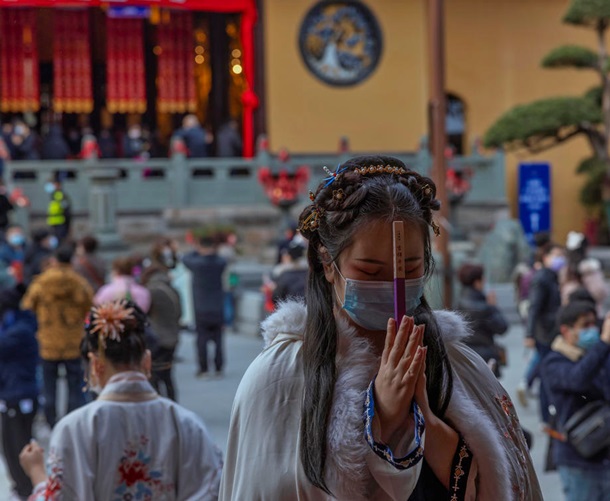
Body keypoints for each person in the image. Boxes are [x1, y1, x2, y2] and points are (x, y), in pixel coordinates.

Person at [219, 156, 541, 500]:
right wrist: (381, 417)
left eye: (411, 268)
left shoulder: (461, 367)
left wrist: (427, 423)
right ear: (328, 263)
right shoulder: (278, 379)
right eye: (370, 272)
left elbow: (493, 486)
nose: (393, 286)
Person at [19, 299, 223, 500]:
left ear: (95, 365)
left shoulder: (74, 428)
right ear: (147, 360)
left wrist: (37, 472)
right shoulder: (188, 424)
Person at [541, 301, 610, 501]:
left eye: (593, 324)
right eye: (584, 325)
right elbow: (577, 379)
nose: (592, 330)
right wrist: (603, 344)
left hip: (604, 452)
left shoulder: (597, 355)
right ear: (566, 330)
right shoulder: (554, 361)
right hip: (577, 458)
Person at [21, 245, 93, 428]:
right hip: (73, 341)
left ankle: (51, 420)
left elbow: (27, 305)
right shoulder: (78, 282)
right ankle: (73, 419)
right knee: (75, 384)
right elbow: (89, 305)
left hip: (48, 341)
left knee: (49, 384)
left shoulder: (42, 282)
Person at [0, 284, 38, 500]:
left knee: (19, 449)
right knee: (9, 447)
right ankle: (22, 488)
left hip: (20, 395)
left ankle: (27, 490)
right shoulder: (14, 327)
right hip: (11, 394)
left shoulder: (19, 331)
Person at [524, 241, 565, 422]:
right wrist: (529, 334)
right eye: (556, 255)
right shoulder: (542, 278)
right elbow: (534, 307)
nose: (560, 259)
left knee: (545, 371)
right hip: (545, 333)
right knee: (546, 374)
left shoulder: (551, 275)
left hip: (551, 331)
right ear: (546, 257)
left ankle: (548, 413)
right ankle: (547, 415)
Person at [141, 239, 183, 401]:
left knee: (155, 376)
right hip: (172, 336)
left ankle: (159, 406)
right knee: (167, 376)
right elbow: (180, 313)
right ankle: (173, 405)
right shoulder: (171, 288)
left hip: (158, 338)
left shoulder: (151, 290)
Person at [183, 235, 227, 378]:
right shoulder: (220, 262)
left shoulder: (196, 263)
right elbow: (221, 258)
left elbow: (184, 258)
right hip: (217, 306)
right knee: (219, 339)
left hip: (200, 307)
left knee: (201, 339)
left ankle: (204, 368)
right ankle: (219, 367)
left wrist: (196, 250)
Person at [456, 263, 509, 377]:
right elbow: (502, 327)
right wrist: (494, 306)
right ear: (477, 282)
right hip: (485, 357)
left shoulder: (459, 303)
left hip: (464, 355)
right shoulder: (484, 307)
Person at [271, 239, 308, 306]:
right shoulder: (309, 272)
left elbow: (276, 298)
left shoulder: (284, 274)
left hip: (291, 311)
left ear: (289, 257)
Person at [45, 174, 71, 243]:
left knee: (60, 241)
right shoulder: (53, 195)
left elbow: (67, 210)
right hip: (54, 223)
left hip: (61, 223)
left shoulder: (61, 195)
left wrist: (68, 225)